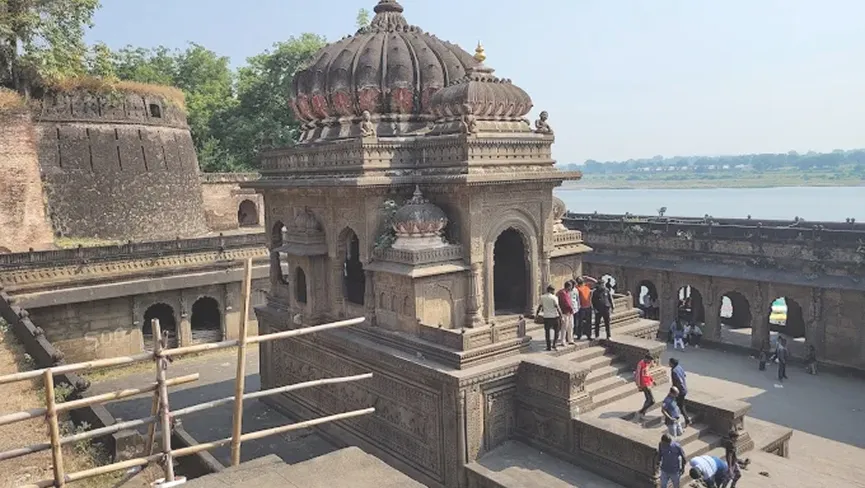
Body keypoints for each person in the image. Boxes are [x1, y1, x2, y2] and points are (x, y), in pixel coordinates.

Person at [536, 285, 562, 351]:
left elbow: (540, 306)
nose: (554, 292)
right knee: (557, 331)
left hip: (546, 316)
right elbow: (557, 307)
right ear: (551, 290)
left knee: (547, 332)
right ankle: (554, 344)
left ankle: (548, 346)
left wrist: (537, 314)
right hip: (555, 316)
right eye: (553, 290)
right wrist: (561, 315)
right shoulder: (554, 297)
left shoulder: (542, 297)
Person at [668, 358, 691, 427]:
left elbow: (678, 382)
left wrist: (676, 391)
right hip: (683, 389)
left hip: (679, 391)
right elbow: (684, 375)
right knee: (679, 404)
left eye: (669, 363)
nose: (668, 364)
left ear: (672, 363)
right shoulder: (679, 367)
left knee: (679, 405)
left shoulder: (674, 371)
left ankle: (686, 419)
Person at [635, 353, 655, 420]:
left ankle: (643, 412)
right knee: (652, 401)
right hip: (644, 384)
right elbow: (637, 375)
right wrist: (638, 385)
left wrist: (652, 380)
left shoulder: (647, 364)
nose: (650, 362)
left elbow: (647, 373)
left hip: (648, 383)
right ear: (646, 359)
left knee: (648, 399)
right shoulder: (641, 364)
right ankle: (641, 411)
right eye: (649, 360)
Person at [557, 281, 575, 346]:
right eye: (570, 287)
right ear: (568, 287)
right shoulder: (562, 293)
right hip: (565, 312)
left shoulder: (568, 292)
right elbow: (566, 303)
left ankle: (570, 339)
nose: (571, 288)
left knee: (571, 326)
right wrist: (571, 308)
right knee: (564, 327)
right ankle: (563, 341)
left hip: (570, 312)